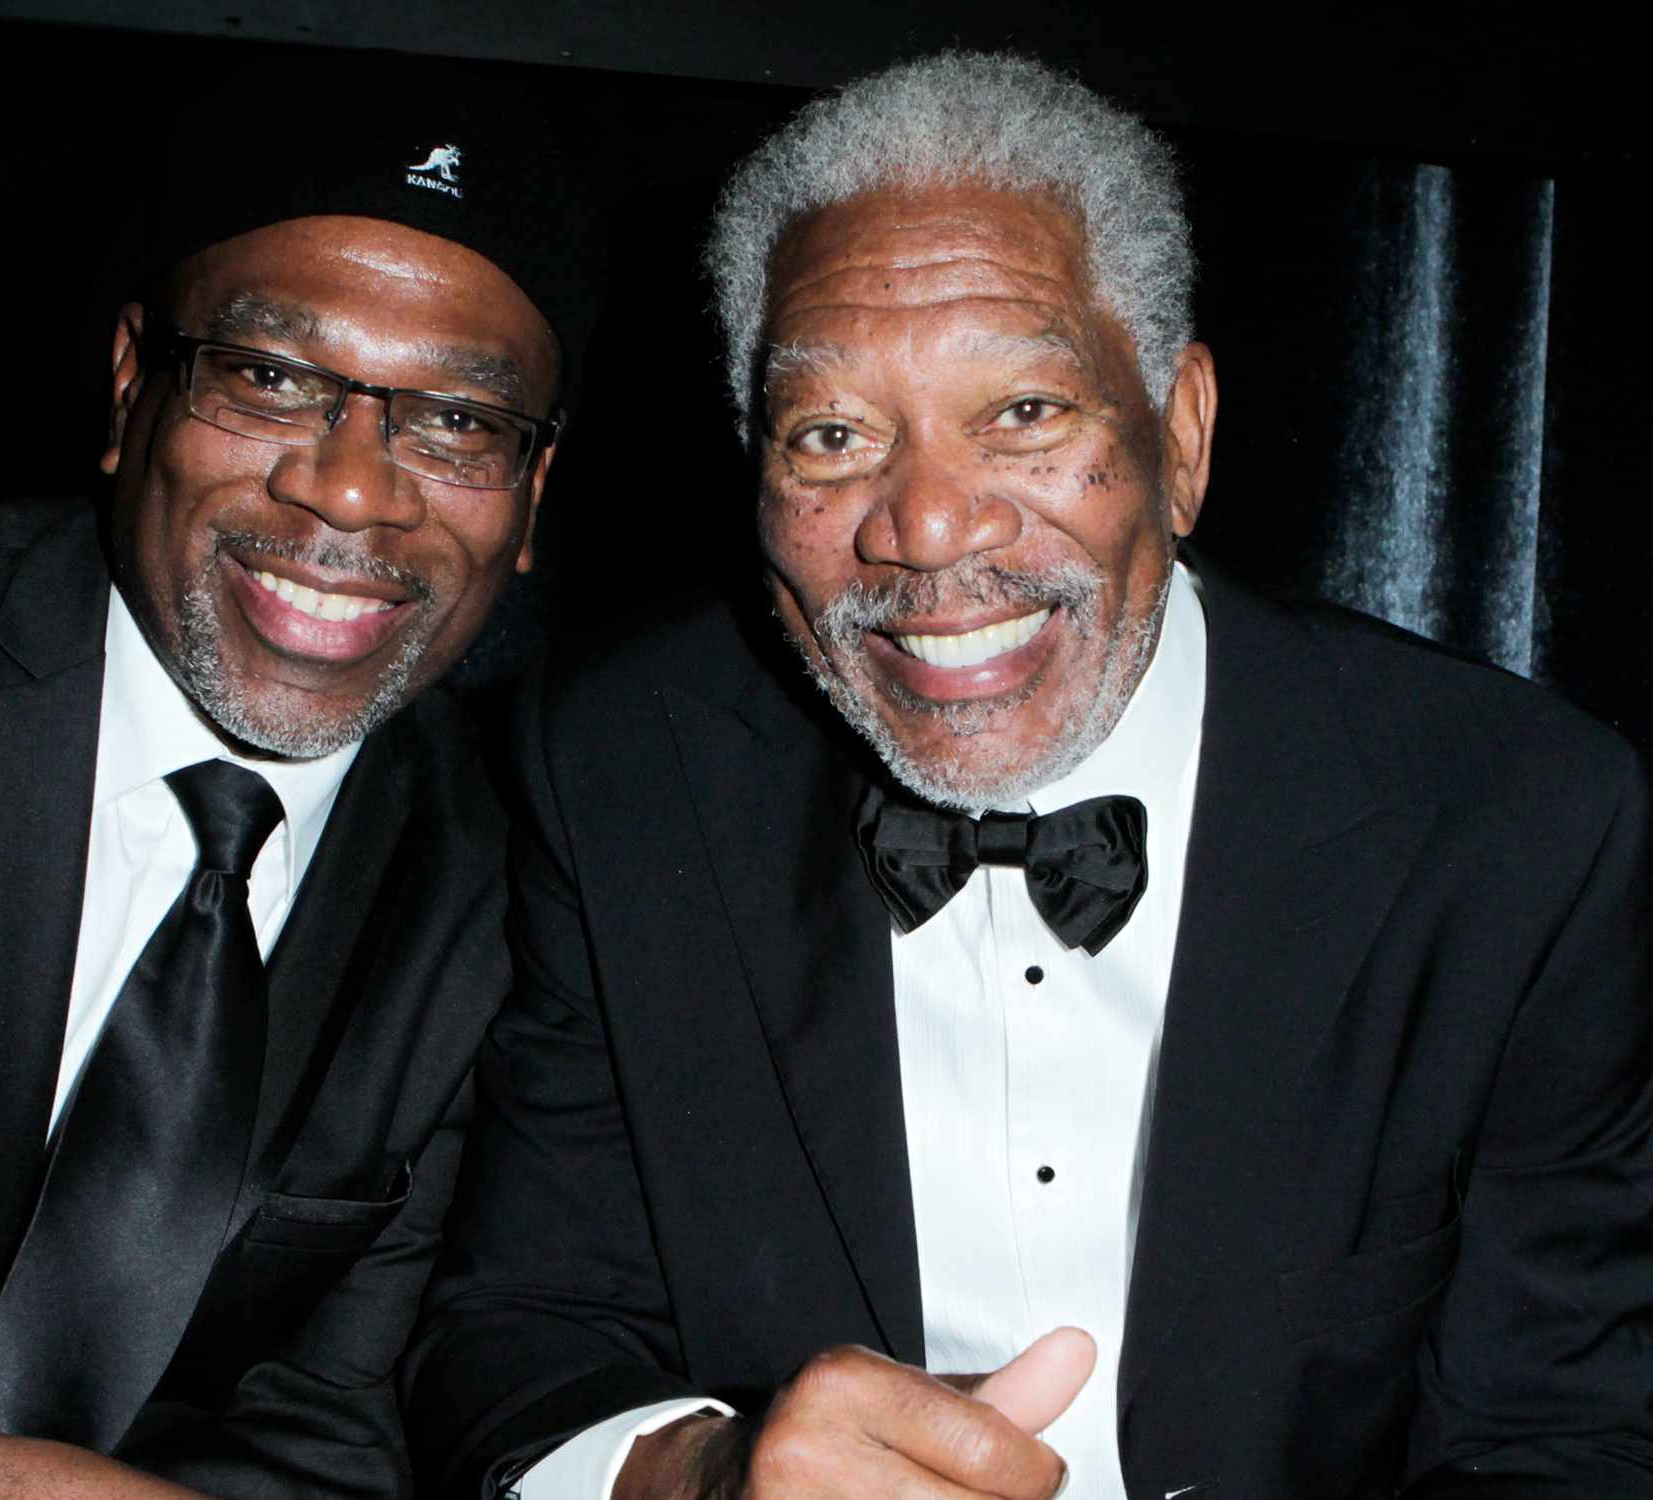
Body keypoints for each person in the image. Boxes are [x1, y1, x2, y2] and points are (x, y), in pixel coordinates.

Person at [403, 50, 1653, 1500]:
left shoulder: (1520, 822)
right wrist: (706, 1471)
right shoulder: (619, 764)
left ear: (1178, 437)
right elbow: (517, 1330)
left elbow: (1570, 1437)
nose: (927, 527)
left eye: (1026, 414)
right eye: (832, 435)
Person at [0, 54, 602, 1500]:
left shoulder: (490, 882)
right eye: (273, 377)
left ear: (532, 498)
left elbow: (322, 1427)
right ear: (128, 385)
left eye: (457, 422)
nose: (350, 488)